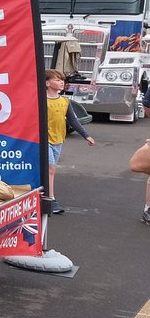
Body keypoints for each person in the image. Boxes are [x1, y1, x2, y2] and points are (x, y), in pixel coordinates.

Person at [45, 69, 95, 213]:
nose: (61, 82)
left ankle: (45, 195)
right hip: (44, 139)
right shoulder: (41, 100)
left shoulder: (65, 101)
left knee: (49, 170)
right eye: (57, 80)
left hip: (58, 138)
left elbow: (73, 120)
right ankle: (51, 199)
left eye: (62, 80)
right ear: (47, 83)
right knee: (51, 169)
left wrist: (86, 135)